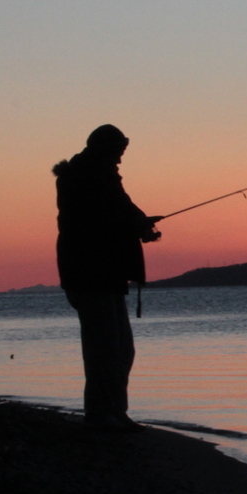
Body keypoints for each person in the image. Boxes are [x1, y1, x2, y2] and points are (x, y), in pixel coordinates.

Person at [53, 124, 162, 430]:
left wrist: (140, 224)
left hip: (108, 273)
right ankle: (100, 413)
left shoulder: (103, 176)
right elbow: (95, 223)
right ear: (104, 149)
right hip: (88, 273)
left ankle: (116, 410)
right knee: (104, 349)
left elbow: (122, 211)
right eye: (118, 153)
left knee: (122, 348)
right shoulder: (82, 177)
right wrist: (134, 225)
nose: (120, 161)